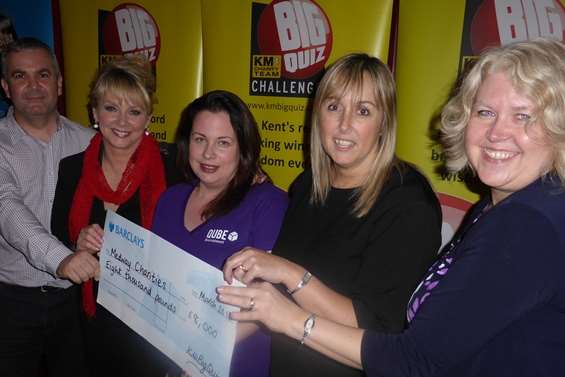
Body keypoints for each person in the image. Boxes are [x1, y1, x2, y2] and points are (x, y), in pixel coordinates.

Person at [218, 38, 565, 376]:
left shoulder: (524, 223)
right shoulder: (494, 206)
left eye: (524, 117)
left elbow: (406, 353)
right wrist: (211, 344)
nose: (497, 133)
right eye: (486, 112)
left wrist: (291, 307)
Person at [220, 53, 442, 377]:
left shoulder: (408, 202)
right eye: (334, 106)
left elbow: (379, 330)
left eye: (363, 111)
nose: (344, 125)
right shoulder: (307, 185)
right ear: (317, 113)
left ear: (384, 122)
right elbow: (274, 302)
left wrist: (289, 273)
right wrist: (205, 350)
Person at [51, 55, 176, 377]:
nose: (122, 121)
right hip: (91, 316)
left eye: (134, 111)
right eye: (111, 108)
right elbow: (58, 235)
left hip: (152, 321)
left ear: (148, 118)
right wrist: (76, 242)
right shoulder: (72, 168)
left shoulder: (175, 168)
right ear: (94, 112)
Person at [151, 90, 288, 377]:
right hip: (168, 360)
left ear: (243, 149)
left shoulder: (267, 203)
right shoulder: (170, 200)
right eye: (200, 140)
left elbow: (269, 297)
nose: (208, 154)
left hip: (234, 365)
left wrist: (199, 354)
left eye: (223, 143)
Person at [0, 37, 95, 377]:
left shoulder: (89, 143)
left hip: (75, 303)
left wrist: (240, 175)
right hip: (11, 304)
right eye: (19, 76)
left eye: (42, 74)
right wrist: (62, 259)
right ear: (5, 87)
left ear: (59, 81)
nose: (33, 86)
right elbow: (6, 209)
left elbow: (142, 171)